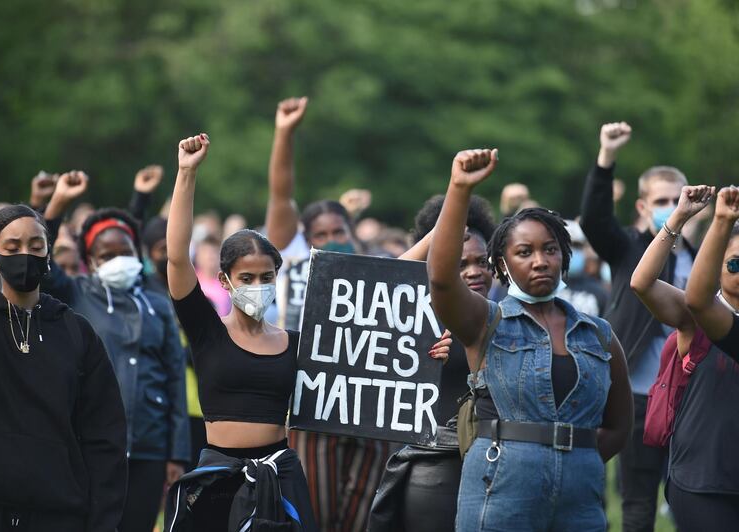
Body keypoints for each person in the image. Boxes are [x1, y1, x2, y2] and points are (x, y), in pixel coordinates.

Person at [429, 148, 632, 531]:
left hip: (579, 496)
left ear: (564, 256)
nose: (540, 261)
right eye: (524, 252)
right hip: (500, 489)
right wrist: (459, 188)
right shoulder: (485, 320)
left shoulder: (598, 334)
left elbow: (619, 426)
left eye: (550, 250)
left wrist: (569, 462)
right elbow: (441, 278)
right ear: (502, 264)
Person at [0, 150, 127, 531]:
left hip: (57, 514)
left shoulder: (77, 332)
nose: (24, 255)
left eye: (36, 246)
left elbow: (104, 439)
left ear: (48, 255)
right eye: (11, 248)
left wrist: (101, 523)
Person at [164, 133, 317, 530]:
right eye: (246, 277)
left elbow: (364, 297)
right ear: (225, 281)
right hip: (219, 480)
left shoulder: (293, 342)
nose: (257, 284)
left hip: (280, 479)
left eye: (266, 276)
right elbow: (177, 255)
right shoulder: (206, 331)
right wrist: (186, 173)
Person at [265, 97, 390, 531]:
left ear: (352, 233)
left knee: (362, 517)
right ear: (304, 239)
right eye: (321, 234)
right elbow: (281, 194)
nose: (331, 239)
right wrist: (285, 133)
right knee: (314, 513)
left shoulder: (374, 268)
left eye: (339, 231)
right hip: (313, 404)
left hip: (369, 410)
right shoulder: (295, 259)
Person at [42, 173, 190, 532]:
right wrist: (57, 205)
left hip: (150, 446)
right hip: (90, 441)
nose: (118, 260)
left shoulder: (157, 305)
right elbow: (37, 260)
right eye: (107, 255)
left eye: (125, 252)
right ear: (90, 261)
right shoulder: (75, 294)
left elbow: (175, 379)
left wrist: (177, 452)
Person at [580, 122, 695, 532]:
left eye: (674, 198)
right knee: (637, 498)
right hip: (638, 395)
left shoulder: (704, 258)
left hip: (691, 396)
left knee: (693, 496)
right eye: (659, 200)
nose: (668, 205)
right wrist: (606, 156)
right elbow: (594, 219)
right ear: (643, 207)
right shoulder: (629, 246)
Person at [369, 193, 496, 532]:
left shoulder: (510, 318)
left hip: (493, 470)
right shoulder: (417, 321)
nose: (474, 272)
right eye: (460, 263)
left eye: (482, 262)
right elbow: (380, 281)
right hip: (432, 471)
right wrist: (442, 231)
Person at [677, 186, 739, 530]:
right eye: (736, 263)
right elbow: (697, 301)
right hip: (707, 481)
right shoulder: (718, 321)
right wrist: (720, 222)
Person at [560, 220, 609, 317]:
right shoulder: (546, 288)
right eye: (567, 246)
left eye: (577, 246)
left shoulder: (599, 292)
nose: (572, 252)